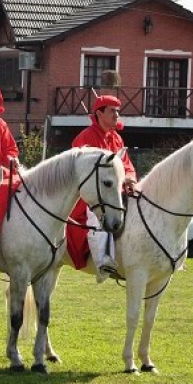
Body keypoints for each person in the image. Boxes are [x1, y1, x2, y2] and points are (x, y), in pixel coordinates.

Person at [72, 94, 137, 282]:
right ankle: (103, 261)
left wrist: (130, 178)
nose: (117, 115)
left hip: (115, 190)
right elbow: (80, 170)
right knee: (97, 212)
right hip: (90, 194)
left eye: (118, 111)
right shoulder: (85, 137)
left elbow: (126, 164)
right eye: (112, 111)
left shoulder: (117, 138)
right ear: (99, 114)